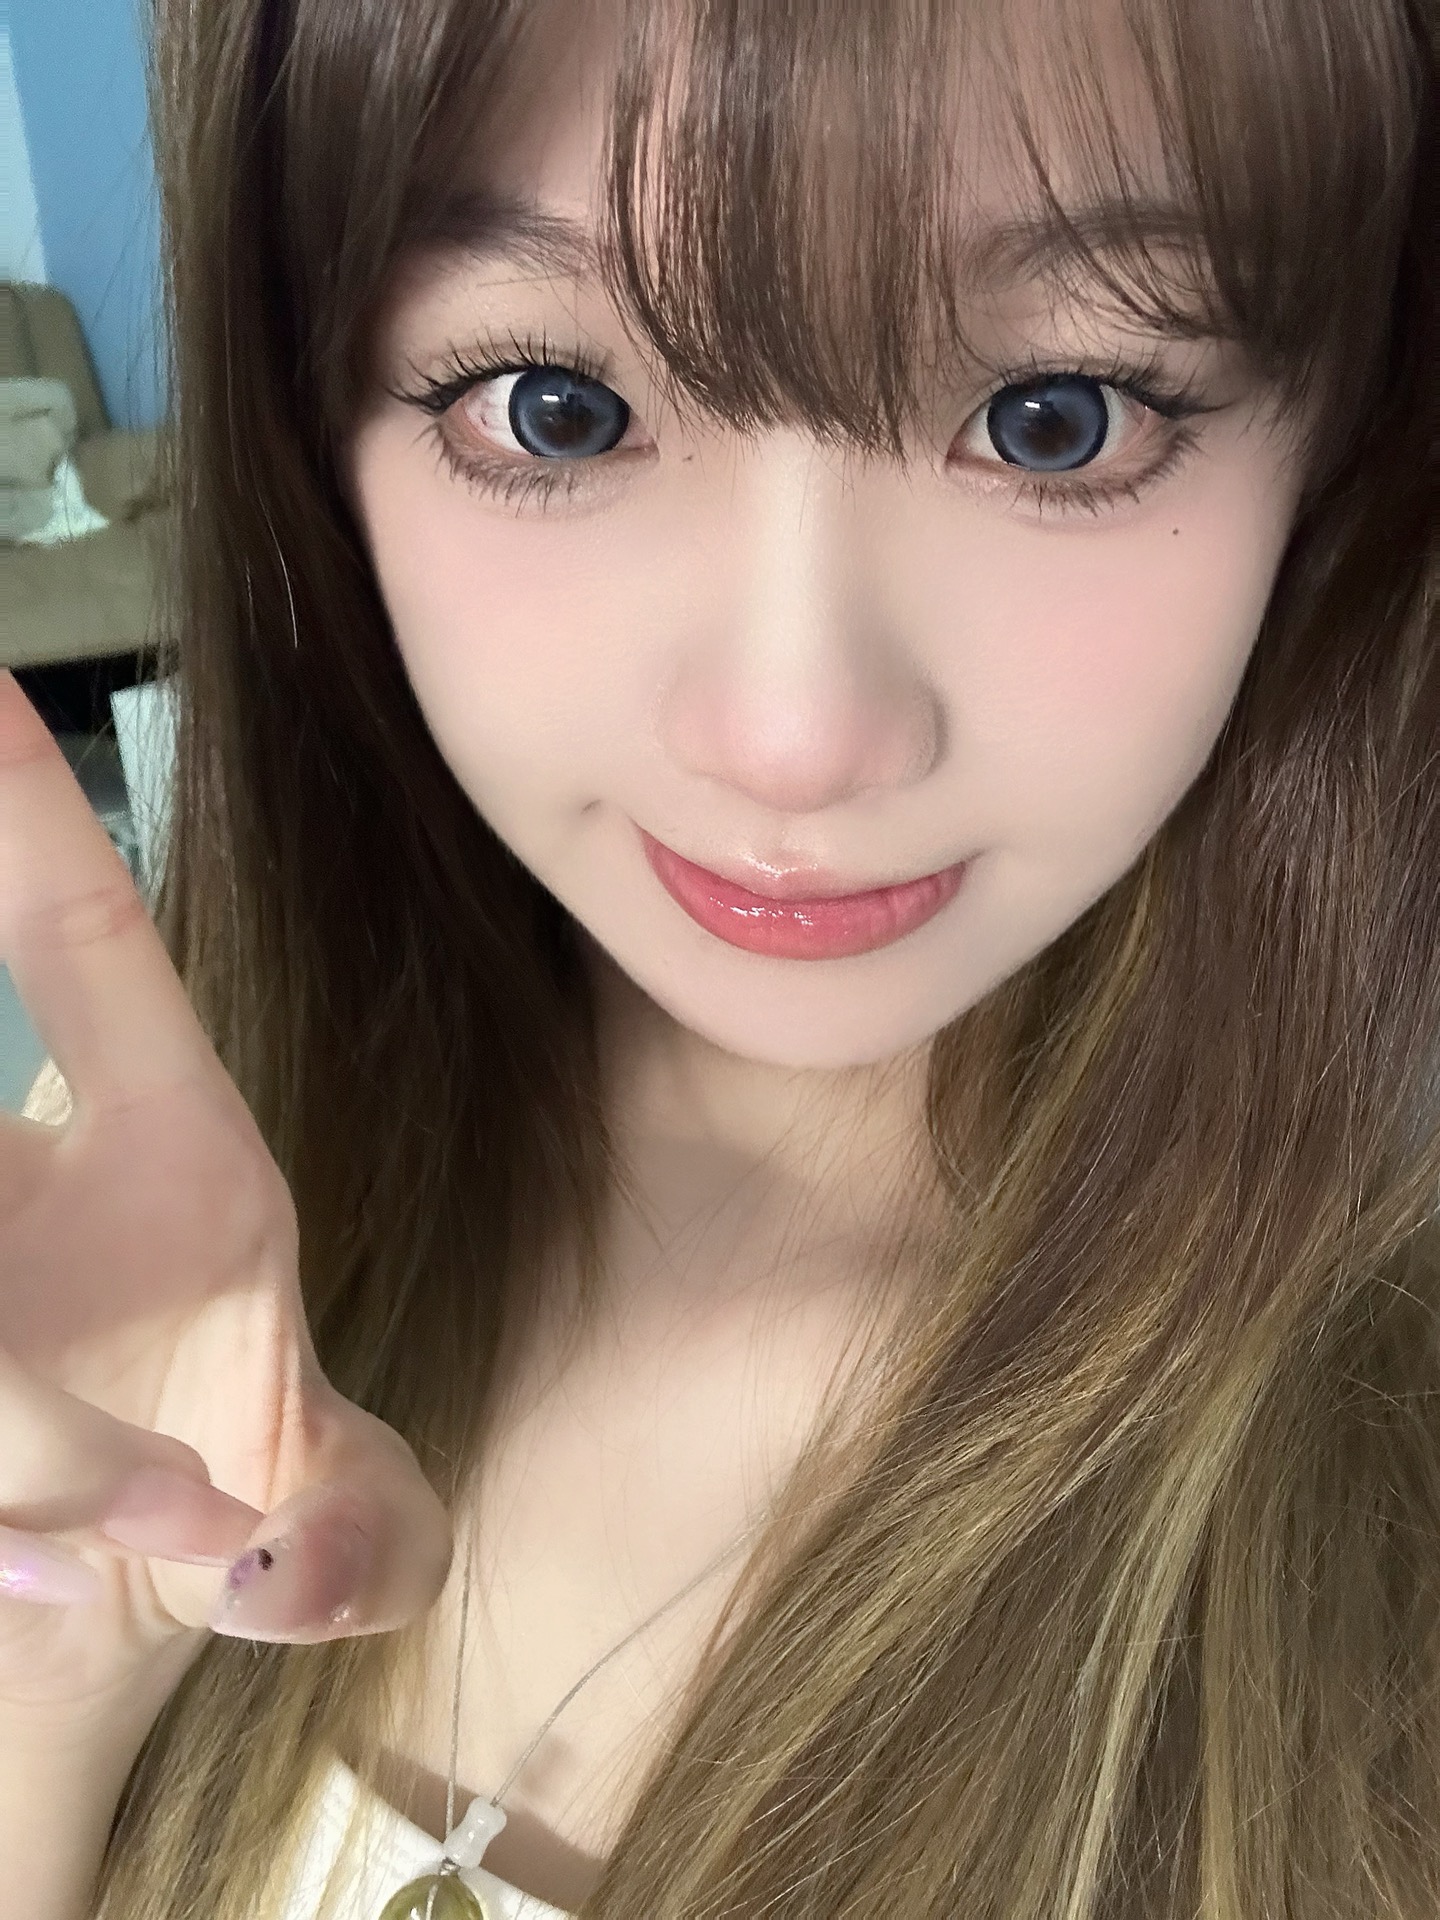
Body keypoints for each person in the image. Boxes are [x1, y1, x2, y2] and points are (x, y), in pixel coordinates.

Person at [2, 0, 1436, 1913]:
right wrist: (44, 1711)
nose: (794, 737)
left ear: (1347, 444)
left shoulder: (1374, 1585)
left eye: (1059, 414)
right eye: (555, 406)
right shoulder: (134, 1219)